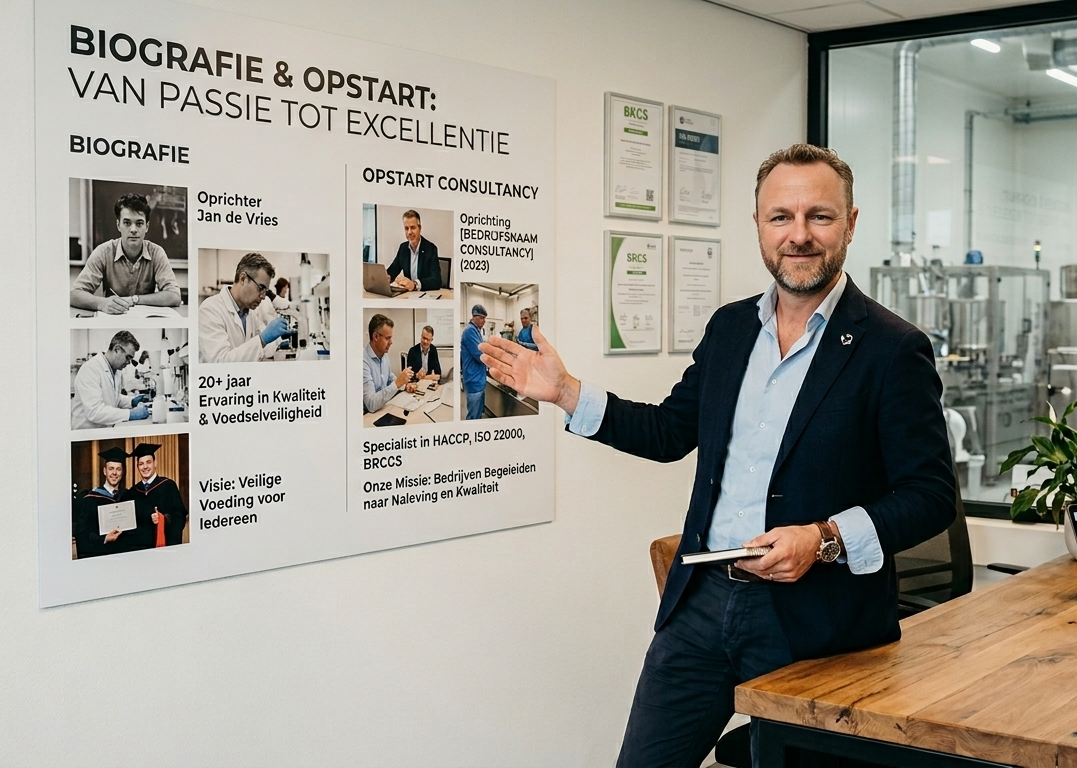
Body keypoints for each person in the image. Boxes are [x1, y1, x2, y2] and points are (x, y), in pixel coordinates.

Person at [479, 143, 955, 766]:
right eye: (781, 216)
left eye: (819, 216)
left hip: (818, 623)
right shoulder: (730, 329)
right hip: (702, 602)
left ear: (851, 223)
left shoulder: (892, 348)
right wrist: (567, 392)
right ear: (757, 224)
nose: (799, 235)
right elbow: (668, 432)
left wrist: (825, 538)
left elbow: (930, 495)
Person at [70, 193, 183, 314]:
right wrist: (101, 303)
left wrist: (134, 299)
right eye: (127, 223)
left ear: (147, 226)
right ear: (118, 225)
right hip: (113, 318)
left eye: (139, 223)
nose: (133, 230)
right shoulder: (103, 252)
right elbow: (75, 294)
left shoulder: (156, 253)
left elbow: (174, 296)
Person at [199, 253, 294, 363]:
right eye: (261, 288)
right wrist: (263, 339)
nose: (263, 296)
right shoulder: (210, 310)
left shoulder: (250, 314)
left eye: (266, 291)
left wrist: (280, 340)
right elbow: (220, 362)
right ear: (243, 279)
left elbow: (262, 350)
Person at [71, 330, 151, 429]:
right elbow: (95, 412)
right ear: (117, 349)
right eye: (127, 357)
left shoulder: (116, 370)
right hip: (86, 434)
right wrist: (131, 414)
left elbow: (112, 398)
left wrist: (131, 401)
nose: (129, 362)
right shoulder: (90, 369)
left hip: (104, 431)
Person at [73, 446, 139, 558]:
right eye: (111, 469)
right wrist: (104, 539)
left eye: (118, 469)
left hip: (124, 556)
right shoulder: (91, 499)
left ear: (122, 472)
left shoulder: (128, 496)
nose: (114, 473)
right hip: (101, 556)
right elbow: (82, 533)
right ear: (105, 471)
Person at [124, 443, 188, 548]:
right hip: (140, 549)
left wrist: (164, 518)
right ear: (137, 467)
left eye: (148, 462)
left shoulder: (168, 486)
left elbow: (180, 515)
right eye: (141, 464)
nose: (145, 467)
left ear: (155, 463)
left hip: (163, 547)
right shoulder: (132, 492)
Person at [363, 314, 415, 414]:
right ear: (376, 336)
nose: (391, 342)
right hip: (368, 416)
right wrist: (397, 383)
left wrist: (404, 385)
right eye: (387, 338)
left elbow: (390, 378)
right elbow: (371, 404)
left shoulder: (384, 355)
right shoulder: (363, 361)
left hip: (383, 408)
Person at [386, 210, 442, 292]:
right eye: (406, 228)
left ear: (420, 228)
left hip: (424, 295)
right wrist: (387, 277)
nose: (409, 232)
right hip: (408, 295)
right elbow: (393, 269)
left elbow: (436, 281)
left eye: (413, 228)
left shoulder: (430, 248)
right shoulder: (403, 248)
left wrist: (415, 284)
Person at [461, 305, 488, 420]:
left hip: (479, 380)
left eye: (484, 318)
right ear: (474, 317)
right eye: (481, 318)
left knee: (479, 413)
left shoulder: (476, 331)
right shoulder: (469, 331)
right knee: (473, 417)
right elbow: (479, 354)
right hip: (473, 380)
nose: (484, 321)